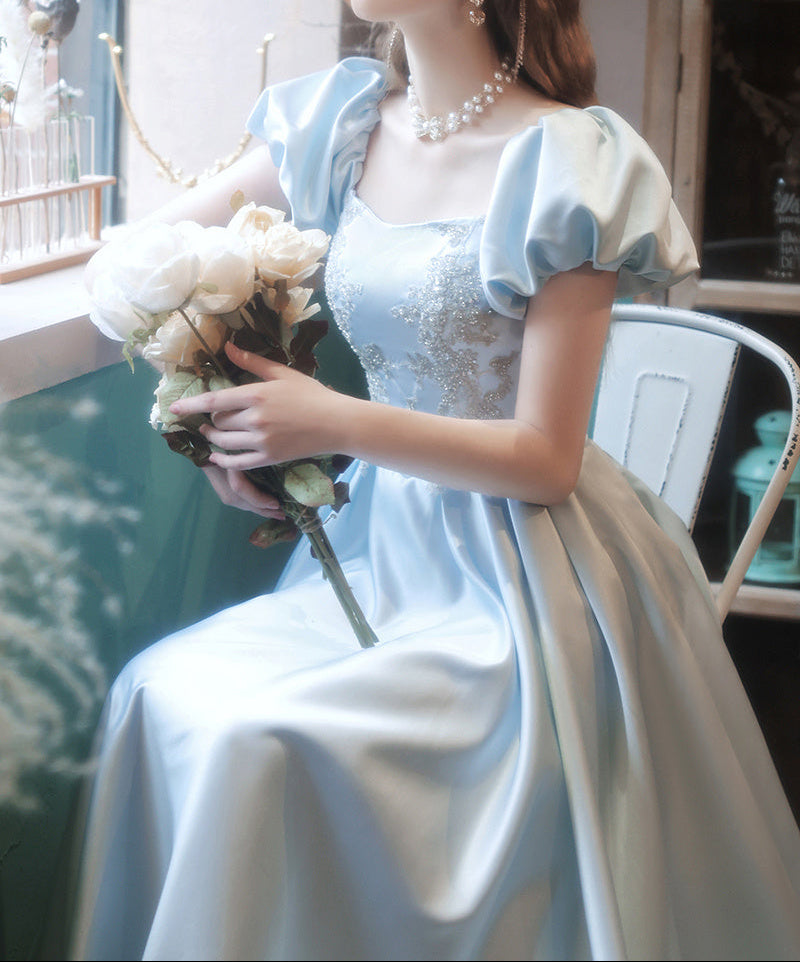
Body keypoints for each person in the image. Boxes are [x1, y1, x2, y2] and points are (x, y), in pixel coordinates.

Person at [67, 2, 800, 959]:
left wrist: (326, 419)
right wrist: (209, 420)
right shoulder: (343, 123)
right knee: (152, 688)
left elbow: (546, 459)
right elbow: (134, 260)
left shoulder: (571, 161)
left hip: (520, 582)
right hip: (384, 545)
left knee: (255, 736)